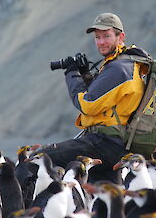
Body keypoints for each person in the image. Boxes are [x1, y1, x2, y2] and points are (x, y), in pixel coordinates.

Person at [39, 12, 150, 184]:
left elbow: (87, 104)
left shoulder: (119, 68)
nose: (101, 42)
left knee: (39, 160)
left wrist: (72, 73)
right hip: (115, 144)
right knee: (103, 200)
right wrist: (85, 74)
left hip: (104, 143)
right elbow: (105, 100)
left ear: (121, 37)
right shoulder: (124, 63)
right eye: (97, 37)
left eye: (107, 36)